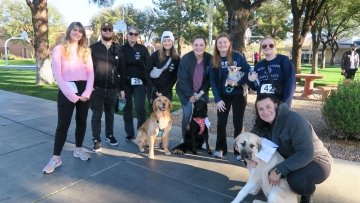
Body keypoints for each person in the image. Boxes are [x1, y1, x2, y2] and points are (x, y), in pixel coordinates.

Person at [249, 94, 332, 203]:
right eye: (260, 109)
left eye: (268, 107)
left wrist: (279, 170)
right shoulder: (261, 124)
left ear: (276, 105)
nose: (265, 112)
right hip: (289, 159)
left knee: (296, 180)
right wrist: (248, 158)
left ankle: (307, 194)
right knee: (259, 165)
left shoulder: (294, 121)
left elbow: (306, 154)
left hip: (315, 161)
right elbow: (249, 140)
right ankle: (274, 191)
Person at [42, 22, 94, 174]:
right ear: (69, 31)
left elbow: (91, 73)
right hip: (67, 89)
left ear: (83, 34)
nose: (77, 33)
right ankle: (56, 158)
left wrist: (86, 93)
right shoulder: (59, 49)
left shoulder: (85, 50)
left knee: (81, 122)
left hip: (84, 88)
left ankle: (78, 149)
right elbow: (57, 74)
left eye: (80, 31)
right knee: (63, 124)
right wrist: (72, 95)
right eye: (75, 30)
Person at [209, 33, 251, 159]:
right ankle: (220, 148)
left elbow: (248, 71)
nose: (222, 45)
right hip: (223, 96)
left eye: (225, 42)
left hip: (238, 94)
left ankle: (239, 150)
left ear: (229, 44)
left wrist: (240, 83)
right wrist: (217, 99)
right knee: (221, 122)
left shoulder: (237, 56)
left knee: (238, 123)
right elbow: (212, 81)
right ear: (216, 45)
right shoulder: (214, 59)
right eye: (219, 42)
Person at [90, 22, 126, 152]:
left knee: (110, 114)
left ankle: (109, 136)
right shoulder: (93, 48)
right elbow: (87, 69)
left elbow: (122, 70)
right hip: (96, 89)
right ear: (101, 31)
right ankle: (96, 139)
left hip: (112, 89)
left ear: (112, 32)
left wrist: (122, 89)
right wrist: (89, 86)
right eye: (104, 29)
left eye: (109, 29)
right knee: (96, 115)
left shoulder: (118, 49)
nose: (107, 31)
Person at [176, 36, 212, 141]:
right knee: (187, 115)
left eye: (201, 45)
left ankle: (202, 140)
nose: (199, 47)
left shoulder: (210, 58)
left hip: (201, 92)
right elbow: (182, 79)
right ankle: (185, 138)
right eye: (196, 45)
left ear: (205, 46)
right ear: (192, 46)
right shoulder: (186, 58)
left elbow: (210, 79)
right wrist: (190, 95)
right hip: (185, 92)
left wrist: (201, 92)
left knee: (202, 116)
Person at [121, 26, 150, 141]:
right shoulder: (121, 49)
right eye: (131, 33)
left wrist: (148, 84)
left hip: (139, 83)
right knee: (127, 108)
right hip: (126, 83)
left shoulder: (143, 49)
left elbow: (148, 67)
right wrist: (120, 87)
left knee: (140, 108)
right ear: (127, 35)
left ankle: (141, 132)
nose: (133, 36)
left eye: (135, 34)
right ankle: (129, 133)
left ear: (138, 36)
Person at [248, 37, 296, 107]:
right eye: (264, 46)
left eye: (271, 45)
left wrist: (286, 103)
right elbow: (255, 87)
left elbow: (291, 82)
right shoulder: (258, 65)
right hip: (262, 103)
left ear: (275, 47)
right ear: (261, 48)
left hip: (279, 102)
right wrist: (250, 80)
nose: (267, 47)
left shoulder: (283, 60)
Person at [146, 31, 180, 104]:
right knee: (155, 114)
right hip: (154, 90)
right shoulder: (155, 55)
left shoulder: (176, 58)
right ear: (162, 42)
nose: (167, 43)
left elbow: (175, 77)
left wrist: (164, 91)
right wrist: (154, 90)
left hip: (167, 91)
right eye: (164, 41)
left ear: (172, 42)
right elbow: (146, 72)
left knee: (166, 114)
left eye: (169, 40)